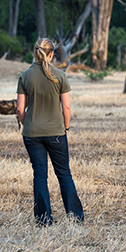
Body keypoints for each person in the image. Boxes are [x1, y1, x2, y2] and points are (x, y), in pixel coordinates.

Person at [16, 38, 84, 226]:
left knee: (39, 175)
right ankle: (75, 217)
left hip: (32, 133)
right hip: (56, 132)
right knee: (64, 174)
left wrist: (27, 124)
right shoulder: (60, 75)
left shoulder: (25, 76)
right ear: (52, 53)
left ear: (35, 52)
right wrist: (66, 127)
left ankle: (44, 220)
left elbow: (20, 109)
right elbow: (67, 108)